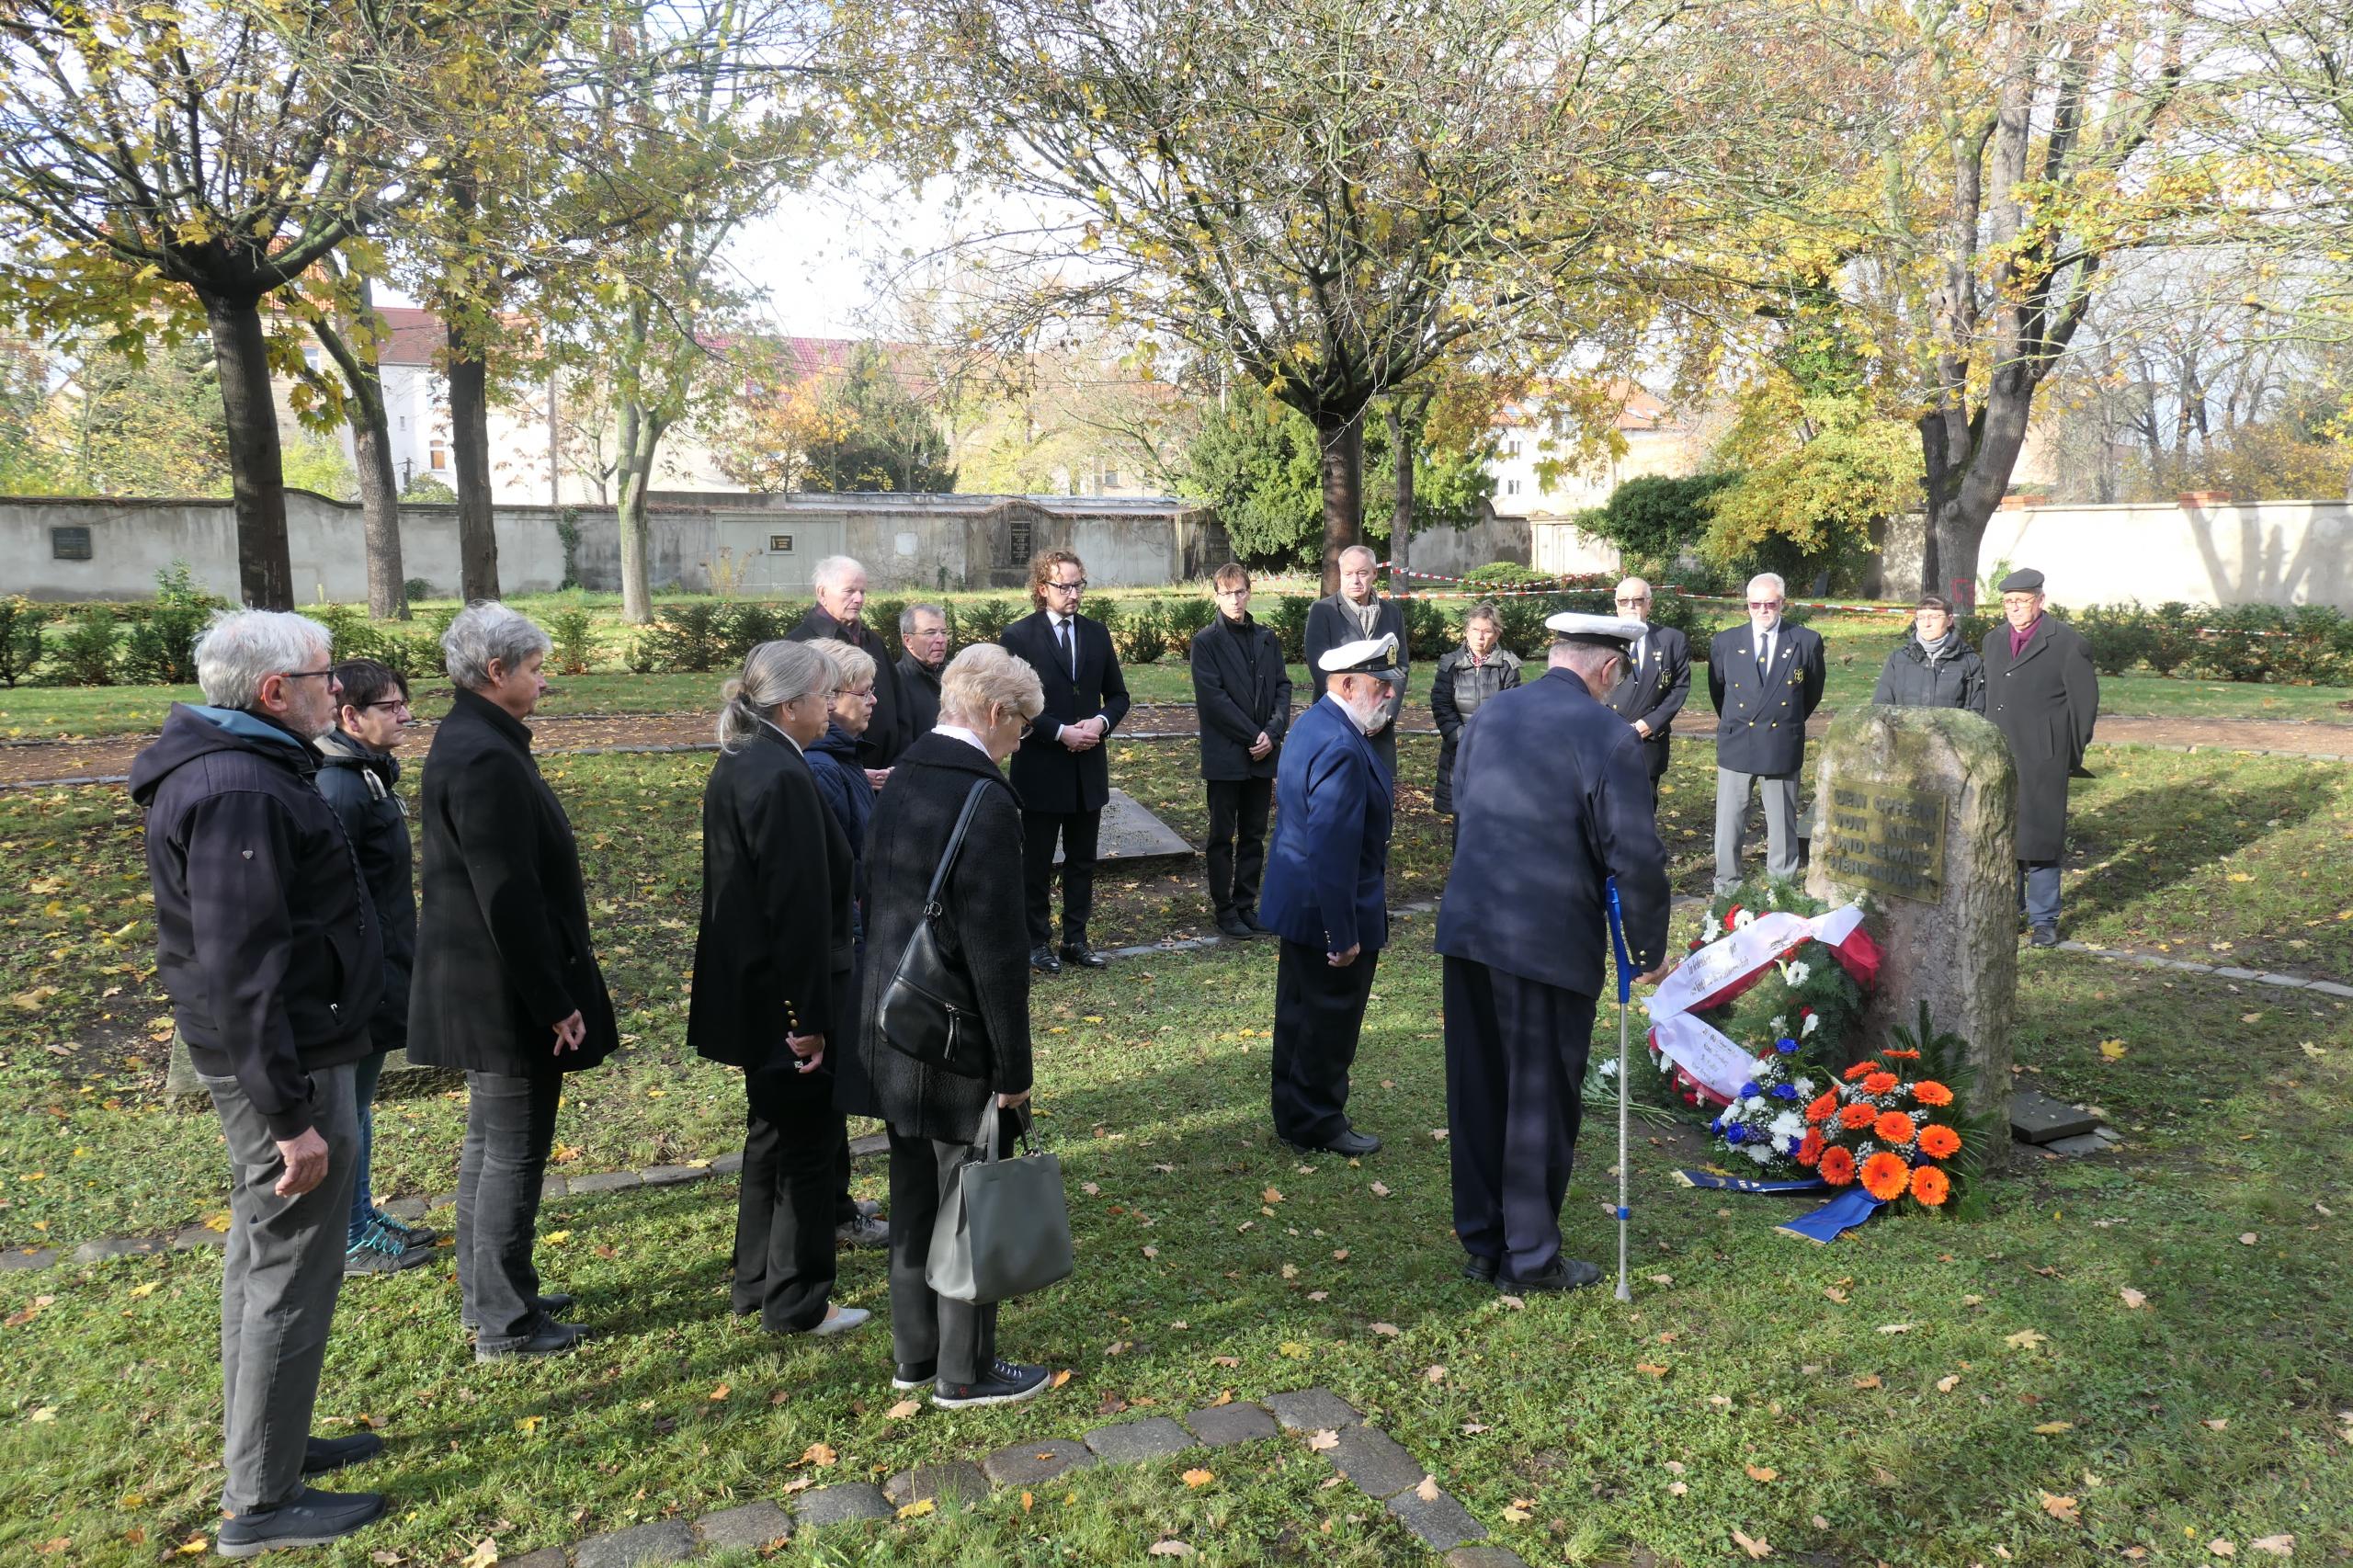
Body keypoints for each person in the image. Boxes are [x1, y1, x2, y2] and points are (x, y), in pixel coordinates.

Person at [129, 610, 390, 1556]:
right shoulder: (237, 785)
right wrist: (289, 1117)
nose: (337, 688)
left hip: (293, 1052)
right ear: (275, 691)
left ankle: (270, 1444)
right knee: (287, 1267)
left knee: (263, 1256)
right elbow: (242, 965)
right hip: (290, 1067)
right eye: (324, 676)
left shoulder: (249, 765)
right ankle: (262, 1500)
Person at [1436, 612, 1672, 1292]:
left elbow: (1463, 803)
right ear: (1608, 667)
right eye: (1619, 676)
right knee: (1537, 1097)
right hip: (1545, 937)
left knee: (1479, 1087)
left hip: (1471, 925)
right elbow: (1635, 855)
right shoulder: (1608, 734)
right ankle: (1531, 1257)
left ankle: (1485, 1240)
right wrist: (1647, 950)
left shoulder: (1491, 716)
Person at [408, 602, 618, 1361]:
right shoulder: (484, 756)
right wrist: (554, 1000)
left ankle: (493, 1293)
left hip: (484, 984)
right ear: (495, 672)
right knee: (512, 1153)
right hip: (501, 994)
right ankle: (505, 1322)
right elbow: (508, 895)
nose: (544, 681)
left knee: (489, 1146)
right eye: (534, 668)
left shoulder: (477, 738)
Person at [850, 644, 1052, 1408]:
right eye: (1022, 724)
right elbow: (998, 957)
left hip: (895, 1026)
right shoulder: (985, 798)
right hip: (954, 1038)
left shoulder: (901, 774)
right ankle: (964, 1372)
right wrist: (1014, 1072)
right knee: (967, 1203)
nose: (1021, 739)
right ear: (996, 712)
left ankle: (915, 1357)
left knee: (914, 1198)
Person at [688, 642, 873, 1338]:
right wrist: (808, 1019)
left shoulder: (746, 757)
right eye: (825, 694)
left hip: (754, 990)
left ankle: (757, 1281)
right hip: (783, 995)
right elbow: (796, 911)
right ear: (791, 705)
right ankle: (796, 1301)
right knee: (804, 1144)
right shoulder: (780, 773)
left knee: (771, 1135)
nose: (832, 706)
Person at [313, 657, 438, 1277]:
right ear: (349, 716)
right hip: (364, 974)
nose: (406, 716)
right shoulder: (341, 787)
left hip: (385, 962)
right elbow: (338, 898)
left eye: (404, 703)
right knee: (349, 1109)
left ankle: (361, 1213)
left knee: (360, 1104)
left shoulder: (367, 775)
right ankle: (351, 1233)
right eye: (391, 707)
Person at [1258, 634, 1400, 1158]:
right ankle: (1317, 1121)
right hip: (1330, 908)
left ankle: (1294, 1114)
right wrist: (1342, 933)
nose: (1389, 693)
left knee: (1298, 1014)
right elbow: (1333, 847)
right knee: (1329, 1020)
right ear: (1346, 685)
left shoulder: (1315, 722)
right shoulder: (1341, 744)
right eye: (1379, 685)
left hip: (1302, 901)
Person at [1000, 548, 1131, 973]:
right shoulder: (1018, 637)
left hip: (1087, 768)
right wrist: (1060, 731)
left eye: (1078, 585)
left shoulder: (1096, 633)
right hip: (1041, 767)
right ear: (1043, 588)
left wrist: (1100, 722)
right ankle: (1037, 941)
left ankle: (1076, 939)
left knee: (1082, 860)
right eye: (1064, 586)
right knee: (1036, 862)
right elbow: (1015, 703)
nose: (1073, 593)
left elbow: (1119, 696)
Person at [1981, 568, 2098, 948]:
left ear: (2041, 601)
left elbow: (2084, 708)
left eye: (2021, 600)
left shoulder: (2067, 643)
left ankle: (2044, 919)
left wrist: (2064, 753)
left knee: (2042, 840)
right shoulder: (1993, 640)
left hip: (2044, 758)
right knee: (2004, 835)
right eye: (2007, 602)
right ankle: (2008, 911)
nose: (2014, 608)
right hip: (1999, 755)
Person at [1189, 562, 1291, 939]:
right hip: (1226, 754)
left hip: (1263, 753)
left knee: (1254, 833)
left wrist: (1273, 733)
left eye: (1240, 592)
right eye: (1227, 593)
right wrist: (1254, 735)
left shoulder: (1266, 637)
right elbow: (1213, 700)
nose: (1234, 599)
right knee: (1222, 835)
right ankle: (1224, 908)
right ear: (1216, 596)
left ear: (1249, 592)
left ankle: (1246, 904)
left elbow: (1283, 686)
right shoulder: (1206, 642)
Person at [1708, 573, 1825, 892]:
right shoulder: (1726, 642)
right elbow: (1719, 692)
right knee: (1729, 822)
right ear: (1747, 604)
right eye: (1755, 604)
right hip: (1737, 741)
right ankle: (1727, 887)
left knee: (1783, 824)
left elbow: (1811, 693)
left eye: (1770, 604)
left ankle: (1781, 889)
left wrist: (1784, 720)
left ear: (1782, 603)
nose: (1762, 610)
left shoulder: (1805, 641)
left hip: (1780, 742)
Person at [786, 555, 909, 777]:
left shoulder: (873, 642)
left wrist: (898, 765)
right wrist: (851, 773)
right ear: (822, 593)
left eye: (862, 591)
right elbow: (791, 720)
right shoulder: (798, 646)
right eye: (849, 591)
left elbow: (901, 708)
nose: (859, 599)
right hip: (831, 774)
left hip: (888, 775)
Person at [1303, 545, 1409, 783]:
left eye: (1362, 573)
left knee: (1378, 796)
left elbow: (1400, 666)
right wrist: (1354, 712)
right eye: (1348, 574)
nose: (1355, 580)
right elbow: (1320, 668)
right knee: (1336, 790)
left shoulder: (1392, 614)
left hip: (1378, 725)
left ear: (1374, 573)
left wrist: (1386, 714)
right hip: (1336, 724)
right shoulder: (1322, 611)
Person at [1601, 577, 1691, 812]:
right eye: (1624, 601)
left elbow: (1679, 687)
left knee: (1644, 809)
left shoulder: (1672, 640)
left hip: (1649, 741)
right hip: (1606, 739)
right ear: (1616, 605)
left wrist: (1650, 724)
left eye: (1638, 600)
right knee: (1605, 809)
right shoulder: (1600, 641)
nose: (1631, 606)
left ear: (1650, 604)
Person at [1430, 600, 1521, 822]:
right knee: (1460, 817)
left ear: (1497, 634)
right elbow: (1441, 705)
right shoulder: (1450, 664)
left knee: (1493, 816)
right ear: (1466, 631)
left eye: (1487, 631)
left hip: (1495, 753)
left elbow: (1513, 709)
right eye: (1475, 630)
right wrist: (1464, 739)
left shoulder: (1508, 666)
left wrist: (1489, 742)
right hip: (1458, 751)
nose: (1480, 636)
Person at [1873, 594, 1987, 714]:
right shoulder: (1897, 659)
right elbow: (1881, 707)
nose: (1927, 624)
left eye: (1934, 617)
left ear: (1949, 620)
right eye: (1921, 617)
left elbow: (1976, 711)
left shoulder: (1969, 661)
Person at [897, 602, 950, 737]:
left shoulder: (957, 675)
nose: (941, 640)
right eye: (931, 633)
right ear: (908, 640)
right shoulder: (896, 681)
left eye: (944, 632)